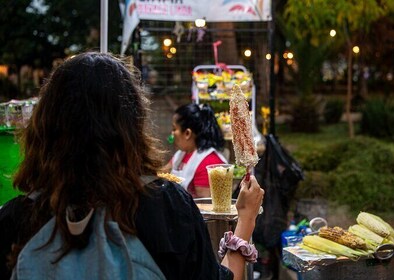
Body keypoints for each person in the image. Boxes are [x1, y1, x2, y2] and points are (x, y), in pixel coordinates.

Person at [0, 52, 264, 280]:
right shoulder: (166, 208)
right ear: (132, 126)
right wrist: (246, 219)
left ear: (42, 126)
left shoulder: (14, 221)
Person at [166, 103, 228, 198]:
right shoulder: (181, 154)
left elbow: (206, 206)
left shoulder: (210, 163)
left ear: (187, 133)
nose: (172, 134)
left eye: (174, 129)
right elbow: (163, 172)